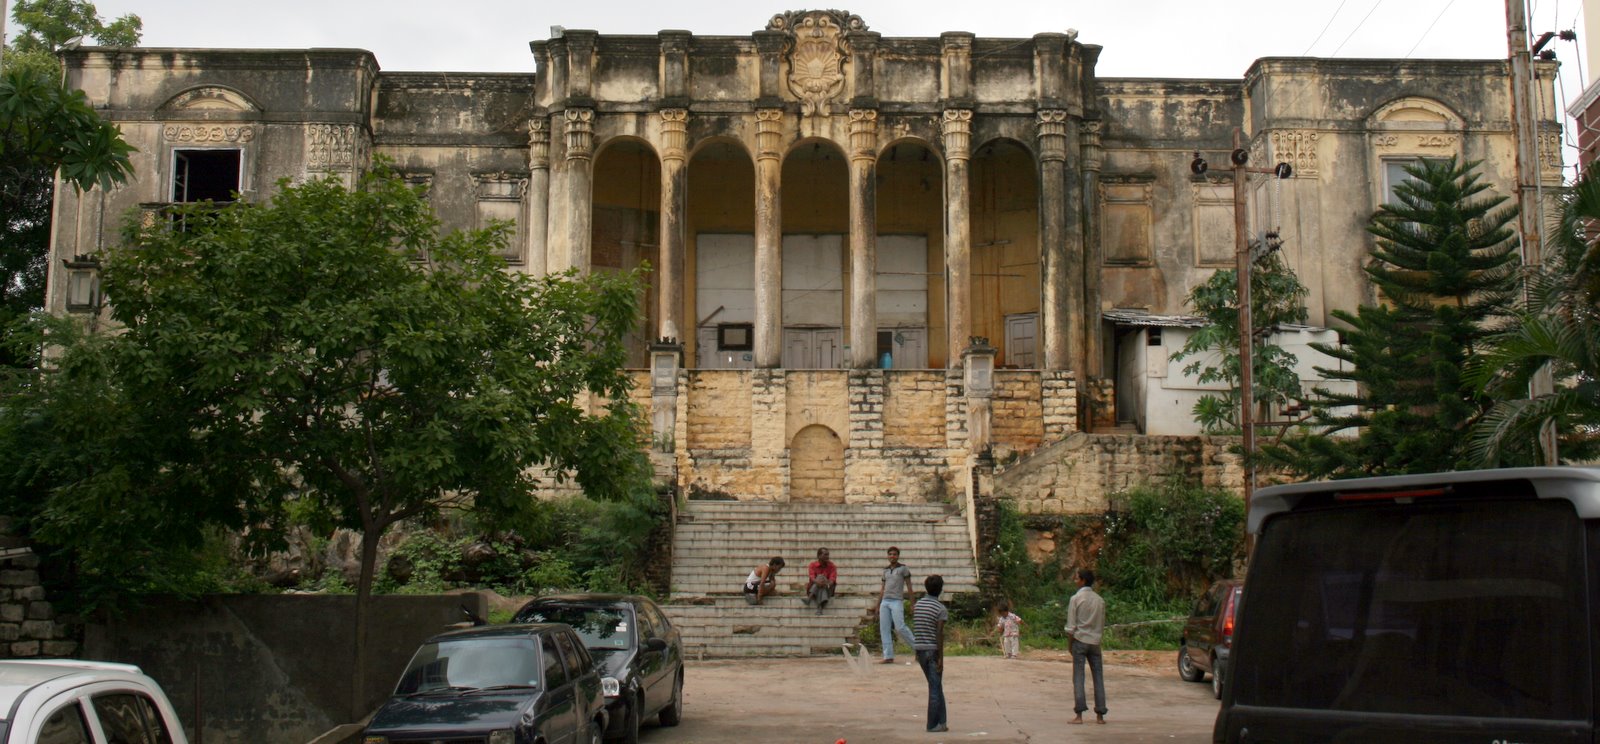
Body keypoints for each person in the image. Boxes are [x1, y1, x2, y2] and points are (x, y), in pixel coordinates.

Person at [1065, 569, 1108, 724]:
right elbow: (1101, 624)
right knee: (1098, 677)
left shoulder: (1076, 599)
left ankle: (1079, 715)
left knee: (1078, 677)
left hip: (1080, 640)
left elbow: (1071, 626)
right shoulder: (1099, 600)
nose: (1075, 581)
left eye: (1077, 578)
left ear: (1082, 580)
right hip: (1095, 642)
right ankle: (1100, 715)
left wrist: (1070, 645)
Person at [912, 574, 949, 733]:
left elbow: (918, 628)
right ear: (940, 589)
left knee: (936, 686)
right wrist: (941, 657)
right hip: (932, 650)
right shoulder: (940, 608)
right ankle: (932, 724)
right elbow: (939, 633)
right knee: (934, 688)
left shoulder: (918, 605)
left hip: (920, 649)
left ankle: (942, 722)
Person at [875, 546, 916, 663]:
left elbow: (909, 586)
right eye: (890, 554)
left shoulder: (903, 568)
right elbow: (882, 589)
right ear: (887, 556)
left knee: (900, 627)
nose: (892, 556)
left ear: (898, 556)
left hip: (897, 601)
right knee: (884, 628)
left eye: (894, 554)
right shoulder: (886, 570)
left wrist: (913, 604)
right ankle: (888, 656)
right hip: (885, 601)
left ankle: (919, 649)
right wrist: (878, 605)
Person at [804, 547, 837, 615]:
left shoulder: (832, 566)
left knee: (821, 577)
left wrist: (825, 583)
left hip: (828, 588)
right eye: (825, 554)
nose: (827, 557)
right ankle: (820, 608)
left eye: (828, 554)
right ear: (819, 556)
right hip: (816, 587)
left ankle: (809, 598)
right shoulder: (812, 565)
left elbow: (832, 580)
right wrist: (818, 582)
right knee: (820, 579)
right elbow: (812, 578)